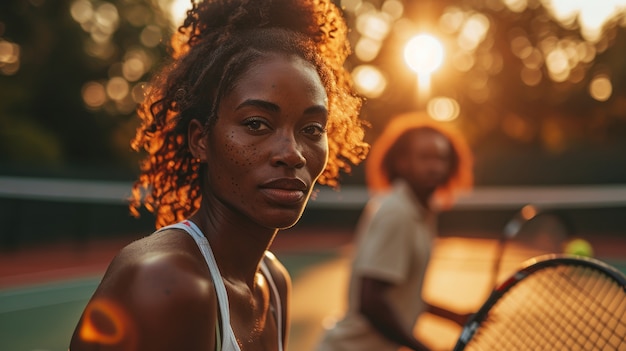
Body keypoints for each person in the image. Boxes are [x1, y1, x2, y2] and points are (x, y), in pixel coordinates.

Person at [69, 0, 368, 350]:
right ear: (200, 140)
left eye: (313, 128)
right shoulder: (167, 282)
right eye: (256, 123)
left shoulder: (273, 281)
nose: (292, 153)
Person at [316, 113, 474, 351]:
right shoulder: (398, 212)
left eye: (441, 158)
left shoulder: (419, 210)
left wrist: (455, 317)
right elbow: (370, 301)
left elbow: (400, 296)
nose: (435, 167)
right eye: (425, 157)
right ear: (402, 162)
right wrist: (422, 347)